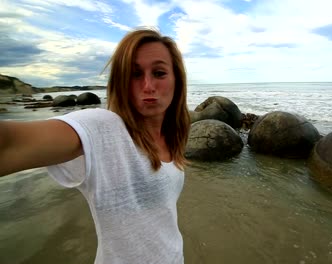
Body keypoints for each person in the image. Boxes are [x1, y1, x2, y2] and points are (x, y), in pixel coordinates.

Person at [0, 27, 191, 264]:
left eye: (160, 73)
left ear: (177, 80)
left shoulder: (172, 136)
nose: (148, 85)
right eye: (135, 74)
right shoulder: (105, 128)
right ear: (121, 82)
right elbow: (9, 144)